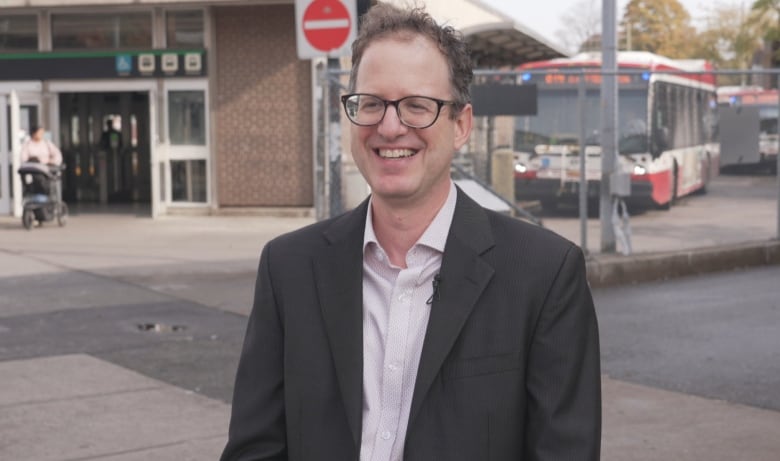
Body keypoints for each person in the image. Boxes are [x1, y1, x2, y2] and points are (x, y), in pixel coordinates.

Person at [221, 3, 601, 461]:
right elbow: (254, 449)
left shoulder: (544, 274)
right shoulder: (288, 268)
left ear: (460, 125)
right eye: (372, 103)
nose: (389, 126)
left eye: (417, 106)